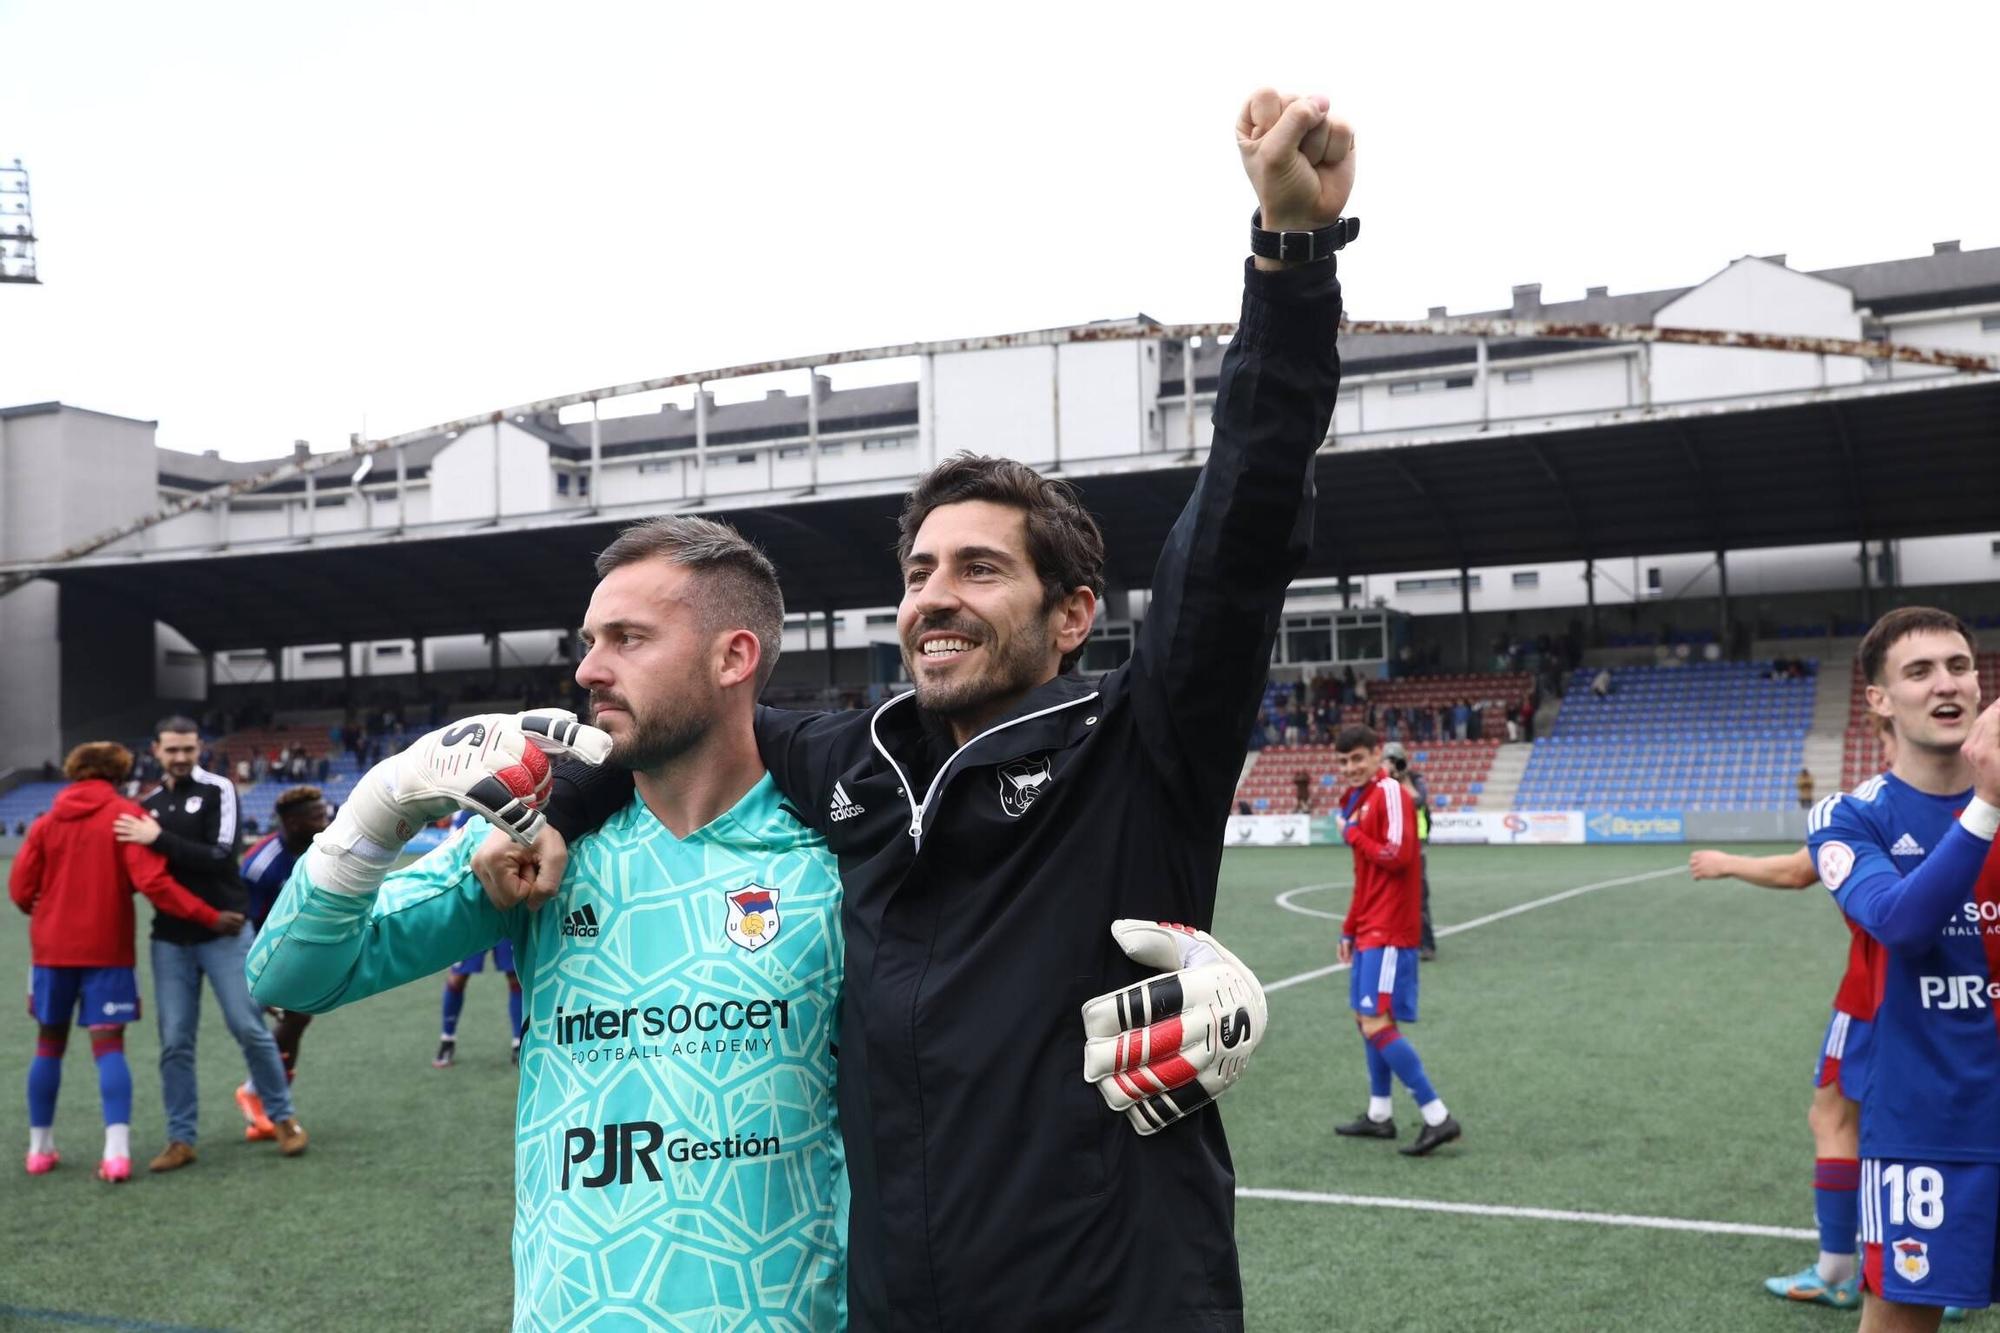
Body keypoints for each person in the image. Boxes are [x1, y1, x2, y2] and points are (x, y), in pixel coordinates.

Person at [514, 84, 1346, 1329]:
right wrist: (560, 803)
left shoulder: (1135, 750)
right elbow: (673, 719)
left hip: (1113, 1303)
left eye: (979, 568)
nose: (934, 600)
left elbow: (1238, 526)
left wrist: (1287, 262)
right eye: (917, 574)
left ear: (1072, 614)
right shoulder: (849, 761)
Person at [1807, 606, 2000, 1330]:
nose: (1944, 684)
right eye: (1918, 671)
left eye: (1959, 666)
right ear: (1880, 701)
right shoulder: (1852, 816)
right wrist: (1987, 803)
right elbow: (1903, 925)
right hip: (1926, 1127)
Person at [10, 742, 242, 1181]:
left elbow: (21, 890)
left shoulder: (45, 823)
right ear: (119, 774)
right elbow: (155, 885)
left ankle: (39, 1150)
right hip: (107, 953)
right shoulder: (127, 817)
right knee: (108, 1048)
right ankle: (116, 1155)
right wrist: (209, 916)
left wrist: (47, 910)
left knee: (48, 1046)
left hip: (50, 954)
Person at [113, 715, 305, 1167]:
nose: (180, 757)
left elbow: (222, 857)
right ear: (156, 751)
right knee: (175, 1040)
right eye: (171, 750)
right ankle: (181, 1138)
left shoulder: (218, 789)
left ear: (200, 748)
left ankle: (282, 1117)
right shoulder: (148, 803)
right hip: (171, 939)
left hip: (226, 931)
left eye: (188, 749)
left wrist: (159, 839)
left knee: (249, 1027)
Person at [1330, 725, 1460, 1155]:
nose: (1351, 768)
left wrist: (1352, 833)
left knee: (1377, 1022)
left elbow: (1397, 855)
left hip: (1389, 930)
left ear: (1375, 757)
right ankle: (1380, 1115)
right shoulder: (1361, 801)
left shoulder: (1387, 792)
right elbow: (1363, 877)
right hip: (1370, 927)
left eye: (1358, 758)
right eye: (1344, 761)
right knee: (1365, 1020)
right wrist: (1349, 927)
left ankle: (1437, 1117)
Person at [234, 786, 331, 1134]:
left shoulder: (322, 850)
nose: (326, 821)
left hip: (297, 953)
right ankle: (257, 1097)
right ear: (292, 822)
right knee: (256, 1024)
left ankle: (264, 1102)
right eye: (317, 817)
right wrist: (263, 977)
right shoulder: (260, 866)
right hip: (257, 956)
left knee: (299, 1019)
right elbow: (247, 926)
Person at [1384, 741, 1437, 961]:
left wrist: (1403, 778)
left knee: (1419, 898)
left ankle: (1426, 945)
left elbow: (1418, 800)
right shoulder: (1384, 784)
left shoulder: (1415, 780)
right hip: (1391, 848)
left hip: (1415, 847)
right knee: (1390, 897)